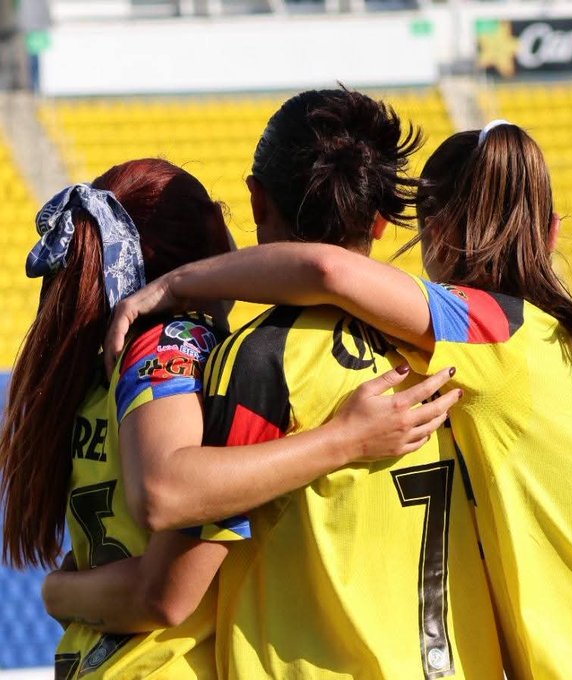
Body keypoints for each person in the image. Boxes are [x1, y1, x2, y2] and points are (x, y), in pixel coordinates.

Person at [108, 121, 572, 679]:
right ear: (552, 233)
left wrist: (177, 284)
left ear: (432, 229)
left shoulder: (494, 333)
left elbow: (329, 269)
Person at [0, 158, 456, 680]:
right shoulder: (183, 348)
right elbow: (165, 597)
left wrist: (59, 591)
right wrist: (345, 439)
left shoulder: (88, 371)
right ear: (202, 243)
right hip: (163, 665)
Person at [108, 90, 507, 680]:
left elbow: (168, 515)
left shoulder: (261, 360)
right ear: (379, 218)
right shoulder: (452, 343)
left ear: (256, 199)